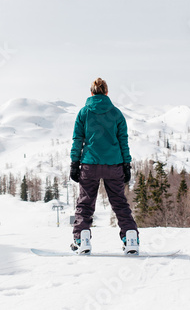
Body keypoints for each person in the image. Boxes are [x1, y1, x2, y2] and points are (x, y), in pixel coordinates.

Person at [69, 78, 139, 254]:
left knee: (85, 204)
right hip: (113, 164)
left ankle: (82, 239)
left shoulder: (84, 113)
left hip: (89, 164)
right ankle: (130, 238)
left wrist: (74, 163)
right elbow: (123, 141)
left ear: (91, 93)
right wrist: (126, 164)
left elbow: (78, 140)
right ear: (106, 93)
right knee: (120, 203)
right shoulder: (116, 114)